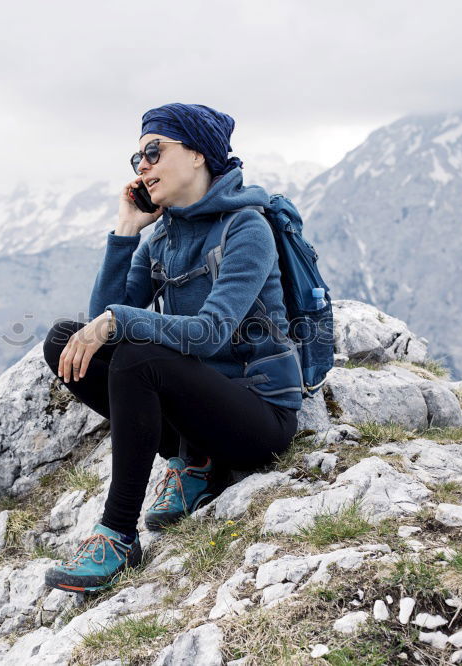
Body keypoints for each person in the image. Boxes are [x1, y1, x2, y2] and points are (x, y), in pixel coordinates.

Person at [41, 103, 302, 593]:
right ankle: (195, 463)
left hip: (259, 418)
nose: (143, 166)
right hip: (199, 418)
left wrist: (118, 322)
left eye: (154, 152)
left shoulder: (247, 227)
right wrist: (125, 231)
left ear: (199, 154)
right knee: (63, 341)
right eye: (137, 158)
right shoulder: (160, 238)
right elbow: (104, 320)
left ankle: (117, 537)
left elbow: (210, 333)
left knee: (139, 356)